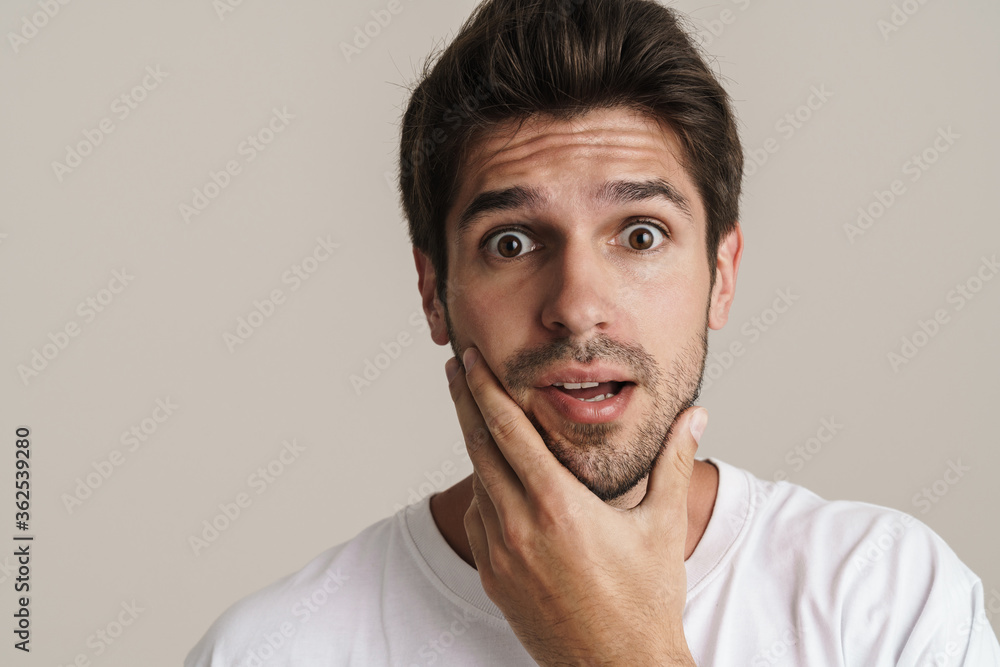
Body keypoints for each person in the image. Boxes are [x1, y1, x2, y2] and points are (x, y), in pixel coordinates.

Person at [185, 0, 1000, 664]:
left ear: (723, 274)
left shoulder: (891, 603)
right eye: (511, 242)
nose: (577, 304)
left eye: (640, 234)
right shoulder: (271, 648)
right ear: (434, 291)